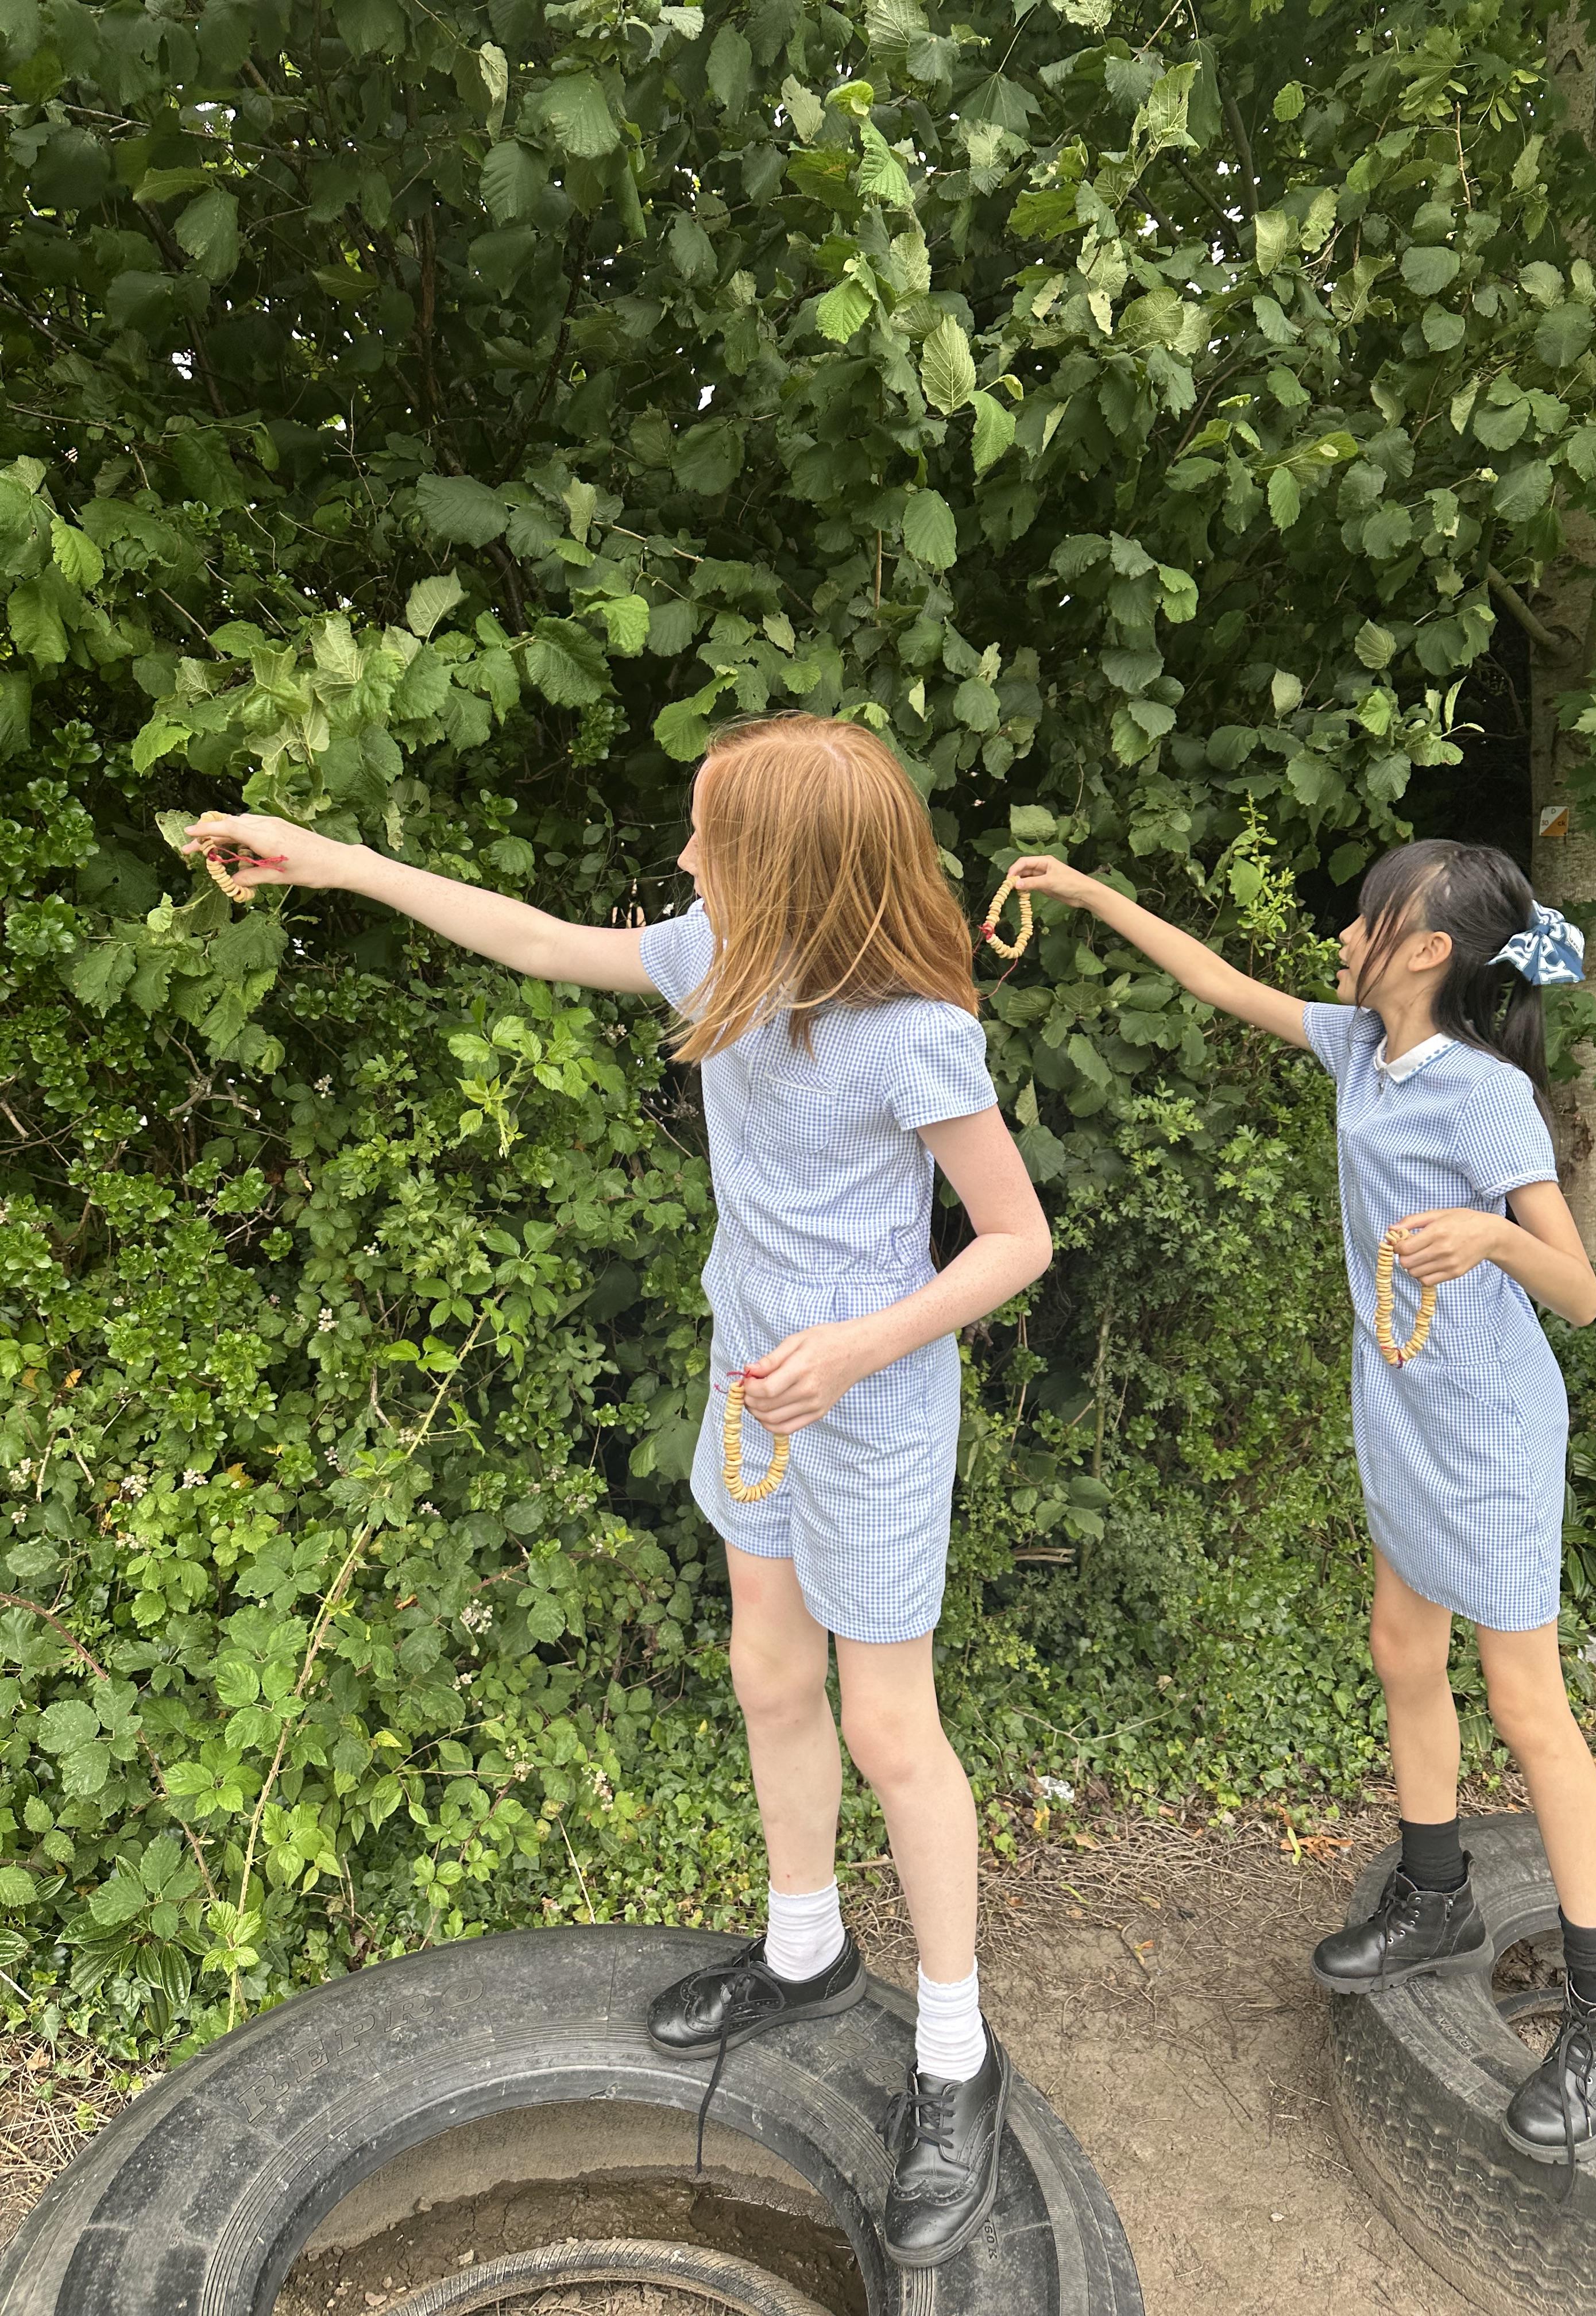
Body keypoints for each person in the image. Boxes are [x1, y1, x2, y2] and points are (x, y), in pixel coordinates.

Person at [186, 711, 1052, 2268]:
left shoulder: (914, 1033)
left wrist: (857, 1348)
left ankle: (953, 2052)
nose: (685, 856)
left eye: (710, 834)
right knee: (766, 1670)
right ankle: (806, 1951)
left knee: (888, 1727)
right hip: (750, 1382)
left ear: (786, 868)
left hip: (868, 1409)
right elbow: (533, 937)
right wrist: (341, 863)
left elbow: (1015, 1241)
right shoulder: (723, 958)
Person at [1010, 837, 1596, 2179]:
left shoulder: (1486, 1097)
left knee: (1528, 1705)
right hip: (1405, 1406)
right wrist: (1086, 891)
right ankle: (1436, 1895)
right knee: (1400, 1647)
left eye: (1370, 920)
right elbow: (1215, 980)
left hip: (1489, 1427)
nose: (1347, 934)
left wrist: (1492, 1237)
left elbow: (1583, 1291)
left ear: (1426, 950)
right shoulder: (1362, 1047)